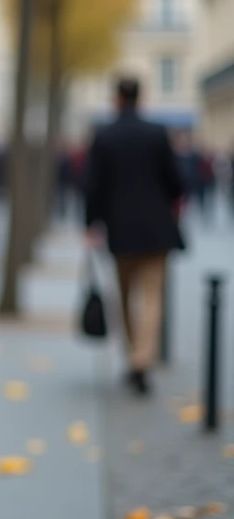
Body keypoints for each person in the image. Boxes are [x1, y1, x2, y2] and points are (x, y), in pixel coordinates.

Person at [85, 76, 184, 396]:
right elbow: (176, 181)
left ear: (116, 98)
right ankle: (144, 359)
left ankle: (133, 358)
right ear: (141, 98)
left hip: (120, 228)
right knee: (153, 296)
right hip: (157, 228)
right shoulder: (157, 133)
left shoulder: (105, 135)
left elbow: (93, 185)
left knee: (125, 295)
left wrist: (91, 223)